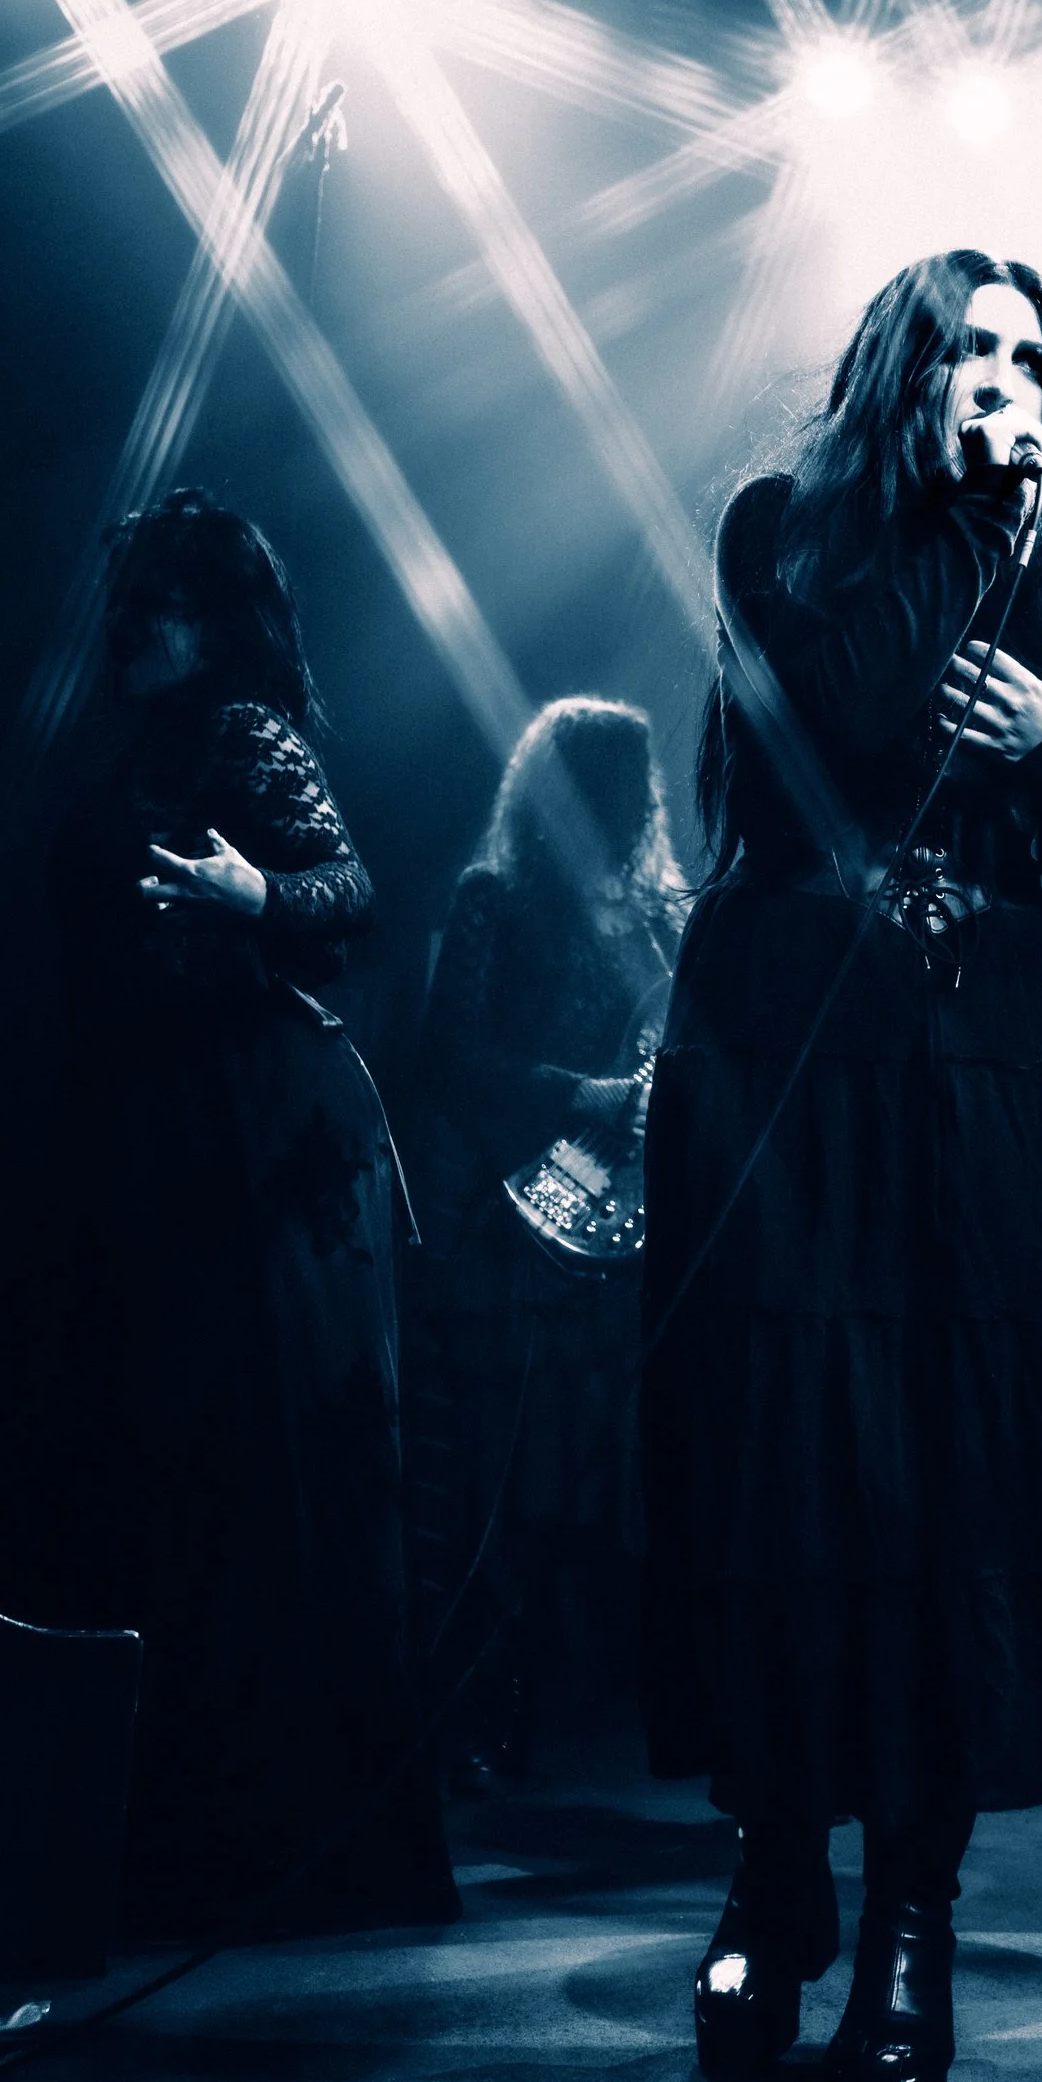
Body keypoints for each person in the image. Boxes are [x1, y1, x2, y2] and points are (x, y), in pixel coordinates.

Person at [640, 249, 1042, 2082]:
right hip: (789, 1039)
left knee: (950, 1493)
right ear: (899, 370)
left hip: (986, 1071)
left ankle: (913, 1925)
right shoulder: (782, 534)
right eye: (970, 352)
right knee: (791, 1469)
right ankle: (775, 1863)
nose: (1005, 384)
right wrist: (970, 543)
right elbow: (827, 736)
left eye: (1031, 360)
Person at [49, 490, 454, 1941]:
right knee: (202, 1476)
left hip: (267, 1135)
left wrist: (252, 890)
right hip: (174, 1134)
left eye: (154, 601)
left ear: (208, 616)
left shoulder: (237, 729)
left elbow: (350, 887)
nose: (127, 625)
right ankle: (213, 1838)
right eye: (124, 600)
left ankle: (312, 1847)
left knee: (280, 1474)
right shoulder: (131, 745)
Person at [404, 700, 685, 1774]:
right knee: (499, 1476)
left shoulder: (657, 916)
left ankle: (584, 1715)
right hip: (507, 1216)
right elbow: (447, 1056)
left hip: (623, 1233)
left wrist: (660, 1103)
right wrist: (587, 1096)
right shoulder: (496, 896)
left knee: (607, 1479)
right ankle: (479, 1713)